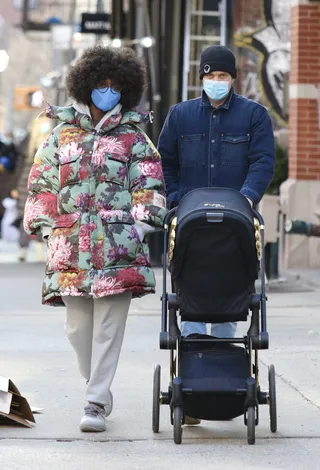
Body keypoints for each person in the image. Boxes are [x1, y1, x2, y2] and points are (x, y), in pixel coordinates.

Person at [23, 45, 166, 433]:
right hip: (71, 248)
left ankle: (95, 401)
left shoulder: (134, 139)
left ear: (126, 90)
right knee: (77, 329)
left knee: (108, 328)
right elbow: (41, 185)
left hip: (119, 249)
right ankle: (96, 384)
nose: (108, 91)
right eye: (101, 84)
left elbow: (149, 185)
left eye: (116, 85)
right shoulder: (60, 135)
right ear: (86, 85)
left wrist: (138, 227)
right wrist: (50, 228)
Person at [158, 45, 275, 340]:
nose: (218, 81)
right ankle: (192, 349)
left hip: (235, 224)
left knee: (230, 286)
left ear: (233, 78)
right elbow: (164, 163)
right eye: (212, 75)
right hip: (188, 224)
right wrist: (175, 199)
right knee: (189, 286)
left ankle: (225, 350)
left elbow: (262, 161)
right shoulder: (180, 116)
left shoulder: (254, 116)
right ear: (202, 77)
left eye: (224, 75)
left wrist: (246, 197)